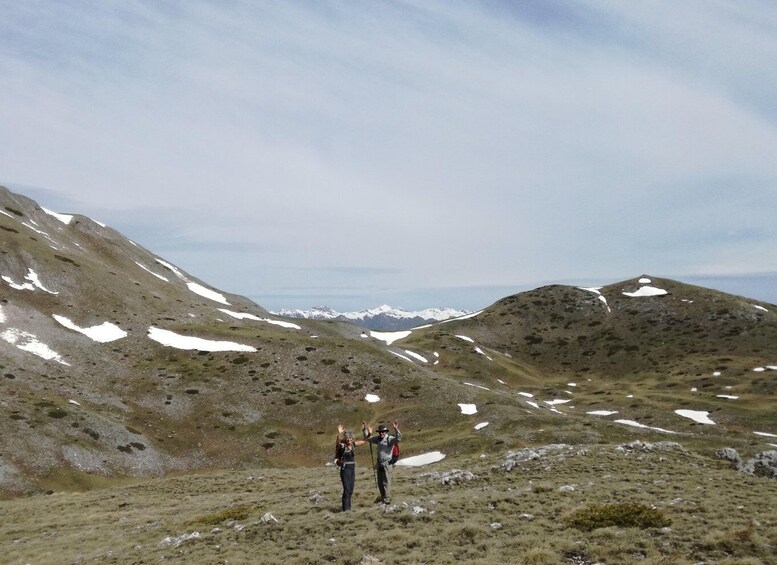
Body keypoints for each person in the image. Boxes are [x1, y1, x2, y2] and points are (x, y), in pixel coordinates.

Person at [363, 420, 401, 505]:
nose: (381, 433)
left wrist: (396, 429)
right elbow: (368, 439)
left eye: (383, 432)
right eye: (380, 432)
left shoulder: (389, 439)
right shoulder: (377, 439)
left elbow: (398, 439)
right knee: (380, 482)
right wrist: (365, 430)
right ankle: (383, 497)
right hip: (379, 463)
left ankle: (387, 500)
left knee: (386, 482)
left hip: (387, 463)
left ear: (386, 432)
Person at [335, 424, 367, 511]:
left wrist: (365, 431)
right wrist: (339, 434)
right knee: (347, 489)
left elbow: (364, 441)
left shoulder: (353, 444)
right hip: (345, 469)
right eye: (348, 439)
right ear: (345, 439)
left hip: (352, 469)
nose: (349, 440)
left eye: (350, 438)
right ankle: (346, 509)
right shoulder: (342, 446)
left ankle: (348, 507)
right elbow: (337, 443)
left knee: (351, 489)